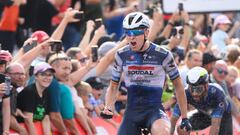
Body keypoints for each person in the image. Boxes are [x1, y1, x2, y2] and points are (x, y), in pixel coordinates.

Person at [101, 12, 191, 135]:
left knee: (164, 133)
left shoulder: (163, 54)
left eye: (136, 33)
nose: (131, 37)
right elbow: (113, 86)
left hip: (154, 111)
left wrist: (185, 117)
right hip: (132, 113)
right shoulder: (121, 54)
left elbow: (179, 86)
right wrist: (108, 106)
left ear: (146, 32)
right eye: (128, 33)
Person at [170, 67, 232, 135]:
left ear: (206, 86)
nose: (195, 94)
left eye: (198, 89)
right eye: (192, 89)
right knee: (182, 128)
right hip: (203, 114)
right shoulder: (186, 93)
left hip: (223, 116)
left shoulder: (217, 93)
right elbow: (173, 120)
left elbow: (215, 126)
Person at [17, 62, 54, 135]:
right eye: (43, 74)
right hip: (19, 129)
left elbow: (45, 119)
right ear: (36, 76)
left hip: (33, 128)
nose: (47, 77)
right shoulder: (30, 92)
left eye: (50, 75)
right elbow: (28, 121)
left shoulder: (47, 92)